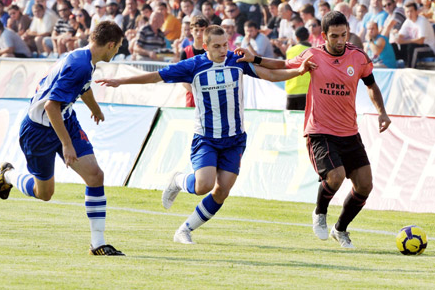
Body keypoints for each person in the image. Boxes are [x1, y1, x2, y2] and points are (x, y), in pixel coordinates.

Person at [96, 25, 315, 244]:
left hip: (235, 139)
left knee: (222, 191)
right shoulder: (193, 66)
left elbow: (269, 74)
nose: (223, 50)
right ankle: (178, 180)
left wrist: (299, 71)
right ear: (205, 46)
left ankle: (185, 229)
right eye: (217, 46)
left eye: (225, 45)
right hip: (207, 138)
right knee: (203, 185)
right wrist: (121, 81)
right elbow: (156, 76)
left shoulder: (235, 61)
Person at [235, 11, 391, 249]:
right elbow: (281, 65)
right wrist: (254, 59)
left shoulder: (358, 57)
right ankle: (320, 212)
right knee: (336, 176)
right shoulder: (313, 55)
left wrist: (381, 111)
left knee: (365, 185)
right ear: (324, 35)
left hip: (349, 131)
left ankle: (340, 229)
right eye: (335, 36)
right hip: (320, 130)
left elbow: (371, 85)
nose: (340, 40)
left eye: (343, 35)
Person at [0, 21, 125, 256]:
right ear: (110, 45)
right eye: (117, 48)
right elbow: (51, 105)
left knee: (95, 176)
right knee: (44, 193)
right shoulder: (80, 65)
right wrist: (66, 145)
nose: (117, 52)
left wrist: (95, 108)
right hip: (39, 131)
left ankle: (98, 244)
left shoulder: (83, 58)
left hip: (65, 120)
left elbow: (82, 88)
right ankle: (9, 175)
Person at [180, 15, 208, 107]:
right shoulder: (185, 52)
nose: (199, 34)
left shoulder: (211, 52)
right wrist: (197, 93)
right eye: (196, 30)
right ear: (191, 31)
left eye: (202, 30)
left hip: (210, 96)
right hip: (192, 98)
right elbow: (183, 79)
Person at [284, 26, 311, 110]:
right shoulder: (312, 51)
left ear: (296, 37)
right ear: (308, 36)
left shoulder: (290, 51)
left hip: (291, 91)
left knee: (290, 121)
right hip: (306, 91)